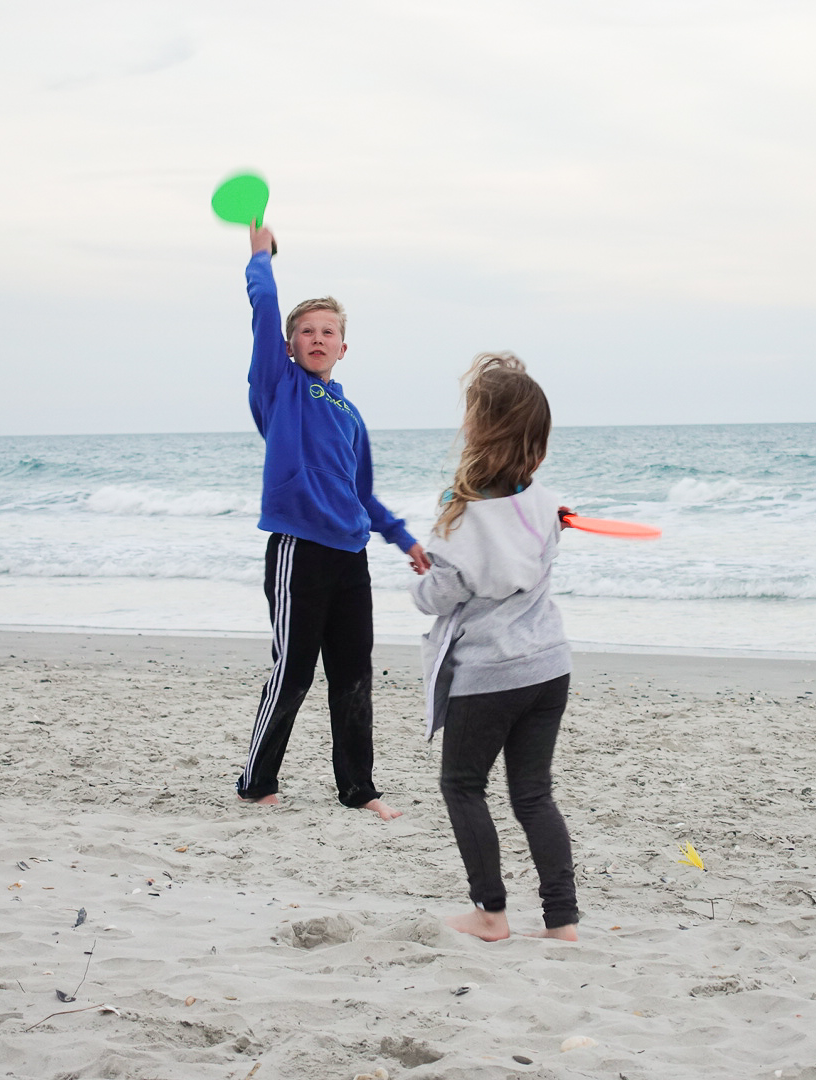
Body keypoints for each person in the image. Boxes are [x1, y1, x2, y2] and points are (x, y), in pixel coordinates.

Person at [235, 221, 429, 821]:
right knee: (293, 672)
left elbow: (362, 493)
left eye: (329, 331)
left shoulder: (349, 413)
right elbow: (265, 307)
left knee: (353, 678)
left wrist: (403, 537)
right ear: (289, 345)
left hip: (351, 556)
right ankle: (257, 780)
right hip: (299, 549)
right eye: (306, 331)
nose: (317, 338)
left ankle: (359, 790)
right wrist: (260, 257)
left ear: (344, 346)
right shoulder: (278, 387)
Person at [412, 352, 578, 941]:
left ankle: (490, 914)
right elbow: (534, 559)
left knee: (462, 786)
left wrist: (423, 572)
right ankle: (562, 924)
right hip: (548, 665)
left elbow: (438, 596)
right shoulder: (545, 501)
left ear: (479, 427)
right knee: (533, 794)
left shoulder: (462, 512)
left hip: (489, 673)